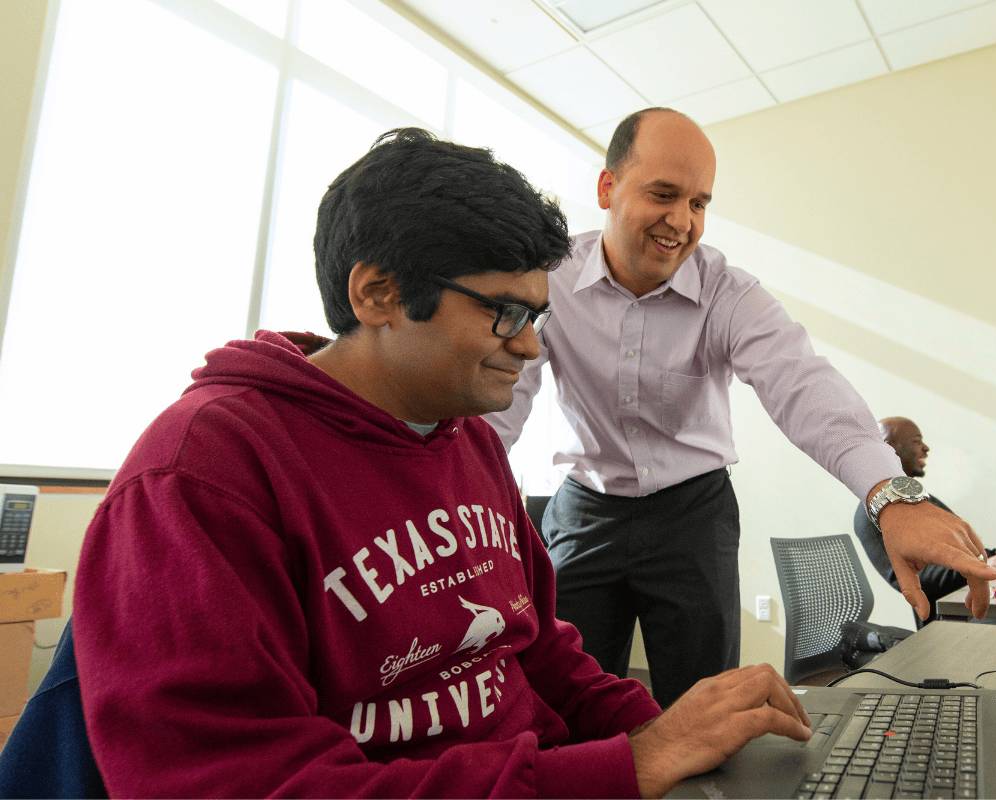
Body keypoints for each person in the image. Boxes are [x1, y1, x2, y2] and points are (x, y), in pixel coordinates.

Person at [70, 128, 813, 798]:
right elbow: (247, 784)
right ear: (379, 294)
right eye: (504, 312)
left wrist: (674, 734)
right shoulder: (202, 475)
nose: (530, 345)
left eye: (537, 315)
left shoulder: (469, 441)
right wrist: (628, 766)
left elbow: (539, 653)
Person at [485, 107, 996, 708]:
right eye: (663, 195)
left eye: (699, 203)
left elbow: (802, 385)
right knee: (564, 697)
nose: (682, 222)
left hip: (692, 515)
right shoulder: (549, 280)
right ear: (607, 188)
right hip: (585, 509)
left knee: (701, 703)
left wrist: (890, 493)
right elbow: (499, 403)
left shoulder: (728, 294)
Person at [853, 416, 996, 603]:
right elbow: (911, 578)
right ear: (888, 449)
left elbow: (961, 548)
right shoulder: (874, 514)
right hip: (951, 611)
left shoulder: (920, 500)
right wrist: (980, 566)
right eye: (917, 441)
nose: (926, 448)